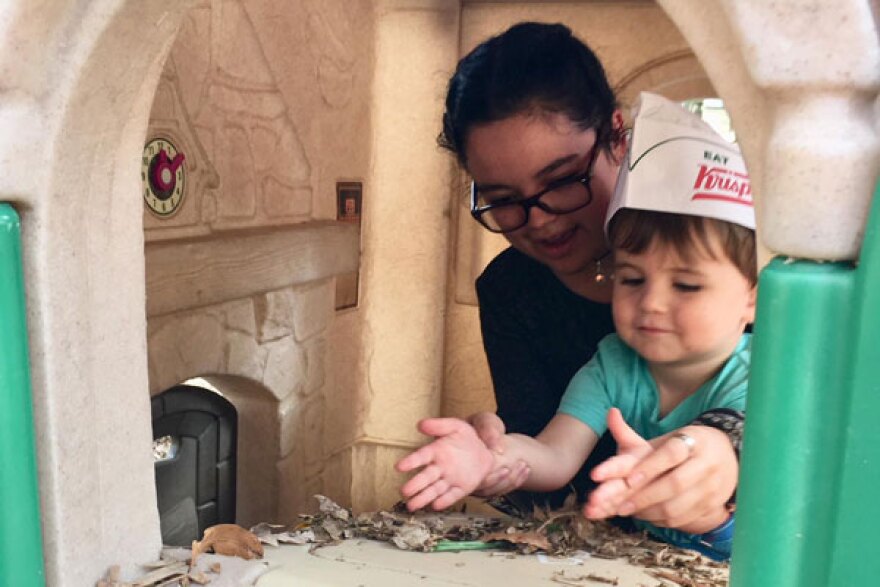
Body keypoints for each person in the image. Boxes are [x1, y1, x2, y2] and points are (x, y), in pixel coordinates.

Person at [397, 92, 756, 560]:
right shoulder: (612, 363)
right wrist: (492, 460)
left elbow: (734, 435)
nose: (651, 302)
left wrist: (707, 456)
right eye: (631, 278)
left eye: (686, 286)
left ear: (753, 298)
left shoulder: (766, 377)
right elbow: (554, 455)